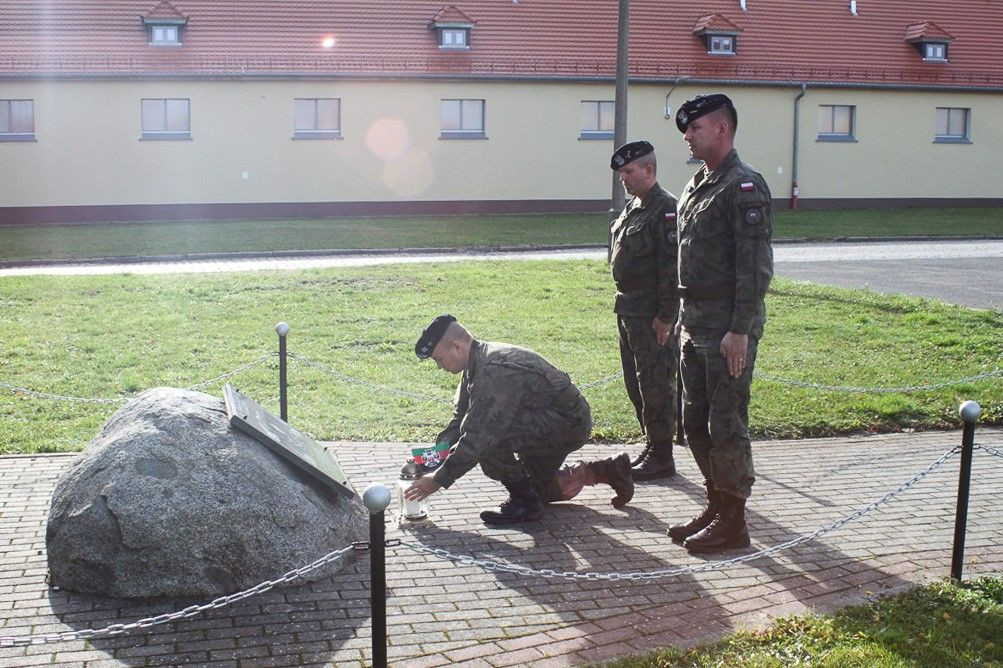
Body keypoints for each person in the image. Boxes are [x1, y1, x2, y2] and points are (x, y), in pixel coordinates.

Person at [403, 315, 634, 525]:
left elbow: (478, 437)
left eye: (439, 359)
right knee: (538, 490)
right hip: (549, 422)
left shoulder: (494, 369)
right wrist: (429, 459)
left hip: (567, 423)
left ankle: (525, 504)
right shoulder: (476, 363)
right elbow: (459, 420)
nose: (439, 366)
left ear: (457, 347)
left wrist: (437, 480)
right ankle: (608, 469)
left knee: (489, 444)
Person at [669, 94, 774, 554]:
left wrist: (740, 329)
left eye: (694, 129)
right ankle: (717, 503)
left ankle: (734, 521)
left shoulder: (743, 186)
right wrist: (680, 318)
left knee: (725, 423)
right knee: (694, 422)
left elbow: (754, 268)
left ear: (722, 130)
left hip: (728, 326)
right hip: (695, 322)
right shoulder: (698, 184)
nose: (687, 137)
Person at [608, 140, 680, 482]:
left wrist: (667, 314)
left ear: (649, 171)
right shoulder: (633, 208)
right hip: (629, 310)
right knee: (636, 384)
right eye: (622, 172)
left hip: (652, 313)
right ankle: (652, 445)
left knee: (656, 383)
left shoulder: (665, 209)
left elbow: (672, 267)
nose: (624, 177)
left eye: (629, 171)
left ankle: (662, 455)